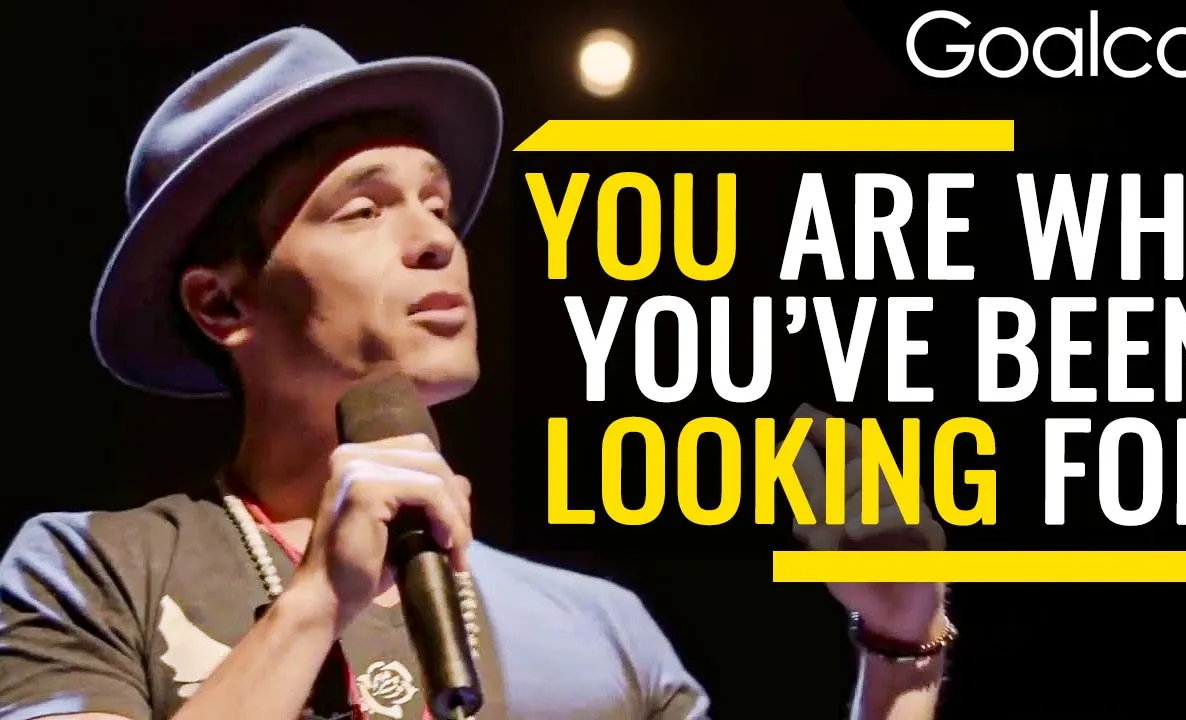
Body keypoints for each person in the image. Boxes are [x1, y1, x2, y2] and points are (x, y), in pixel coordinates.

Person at [0, 27, 953, 720]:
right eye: (362, 210)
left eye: (439, 206)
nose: (434, 242)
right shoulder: (96, 568)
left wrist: (902, 643)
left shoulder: (595, 626)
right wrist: (316, 602)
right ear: (221, 304)